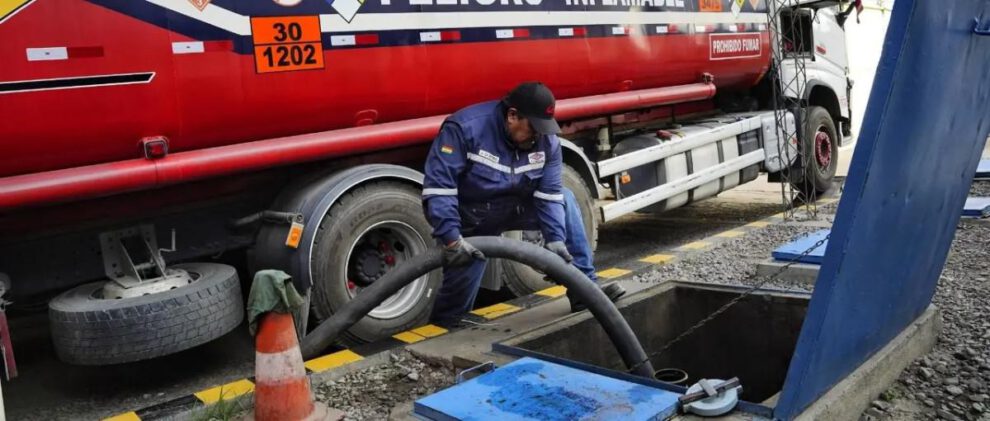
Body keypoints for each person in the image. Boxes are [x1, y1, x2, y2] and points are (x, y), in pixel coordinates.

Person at [421, 81, 624, 328]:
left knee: (566, 199)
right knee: (460, 281)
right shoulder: (465, 129)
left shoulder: (546, 141)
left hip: (517, 207)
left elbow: (549, 194)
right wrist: (452, 239)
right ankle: (447, 326)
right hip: (474, 218)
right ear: (512, 116)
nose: (538, 135)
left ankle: (585, 291)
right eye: (533, 127)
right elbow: (439, 189)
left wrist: (555, 240)